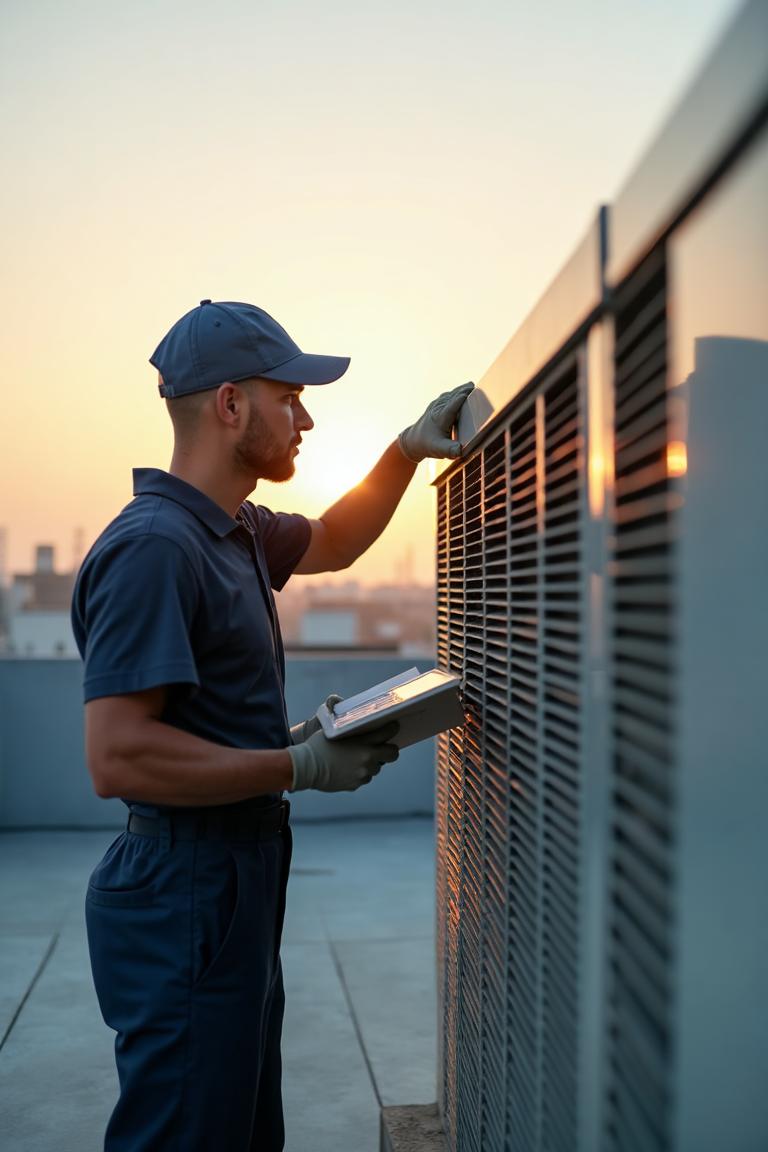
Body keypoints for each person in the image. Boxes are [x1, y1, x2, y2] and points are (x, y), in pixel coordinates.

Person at [71, 298, 474, 1152]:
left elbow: (333, 538)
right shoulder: (156, 547)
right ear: (229, 406)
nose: (307, 416)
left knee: (241, 1131)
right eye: (288, 396)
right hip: (185, 884)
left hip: (236, 876)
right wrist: (299, 767)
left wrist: (404, 451)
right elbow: (118, 756)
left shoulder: (236, 531)